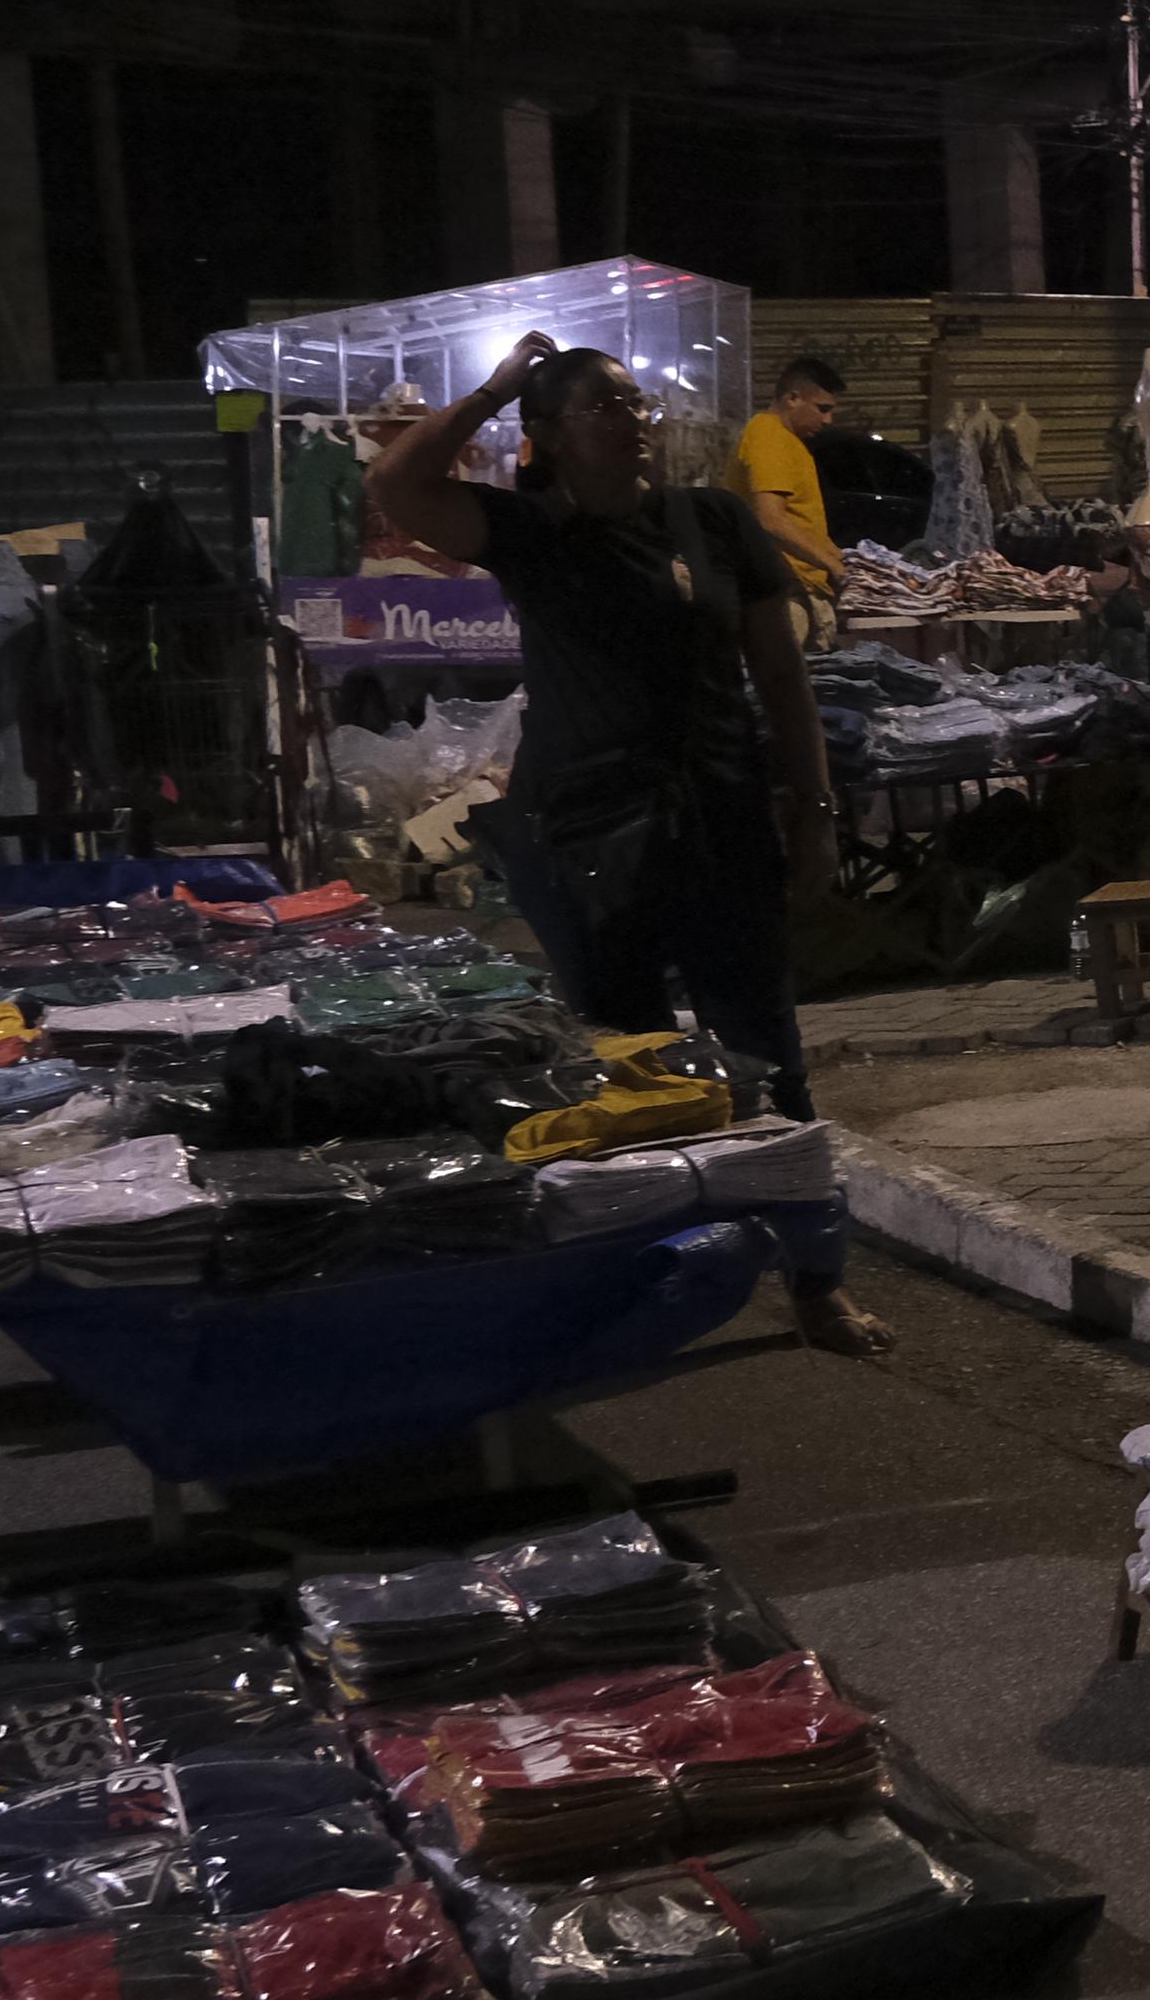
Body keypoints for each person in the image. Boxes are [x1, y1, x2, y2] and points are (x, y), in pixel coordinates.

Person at [368, 336, 888, 1357]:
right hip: (588, 835)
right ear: (552, 436)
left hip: (721, 812)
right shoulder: (529, 529)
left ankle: (817, 1281)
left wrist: (815, 809)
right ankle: (644, 1282)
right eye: (604, 404)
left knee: (765, 1055)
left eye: (637, 400)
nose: (634, 415)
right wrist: (494, 389)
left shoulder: (714, 519)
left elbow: (781, 678)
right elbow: (397, 479)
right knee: (624, 1063)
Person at [729, 354, 850, 642]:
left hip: (799, 591)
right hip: (784, 596)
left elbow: (801, 524)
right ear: (793, 398)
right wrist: (834, 566)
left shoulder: (789, 442)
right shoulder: (768, 435)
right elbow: (771, 521)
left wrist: (848, 562)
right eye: (822, 409)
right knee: (783, 683)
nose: (827, 419)